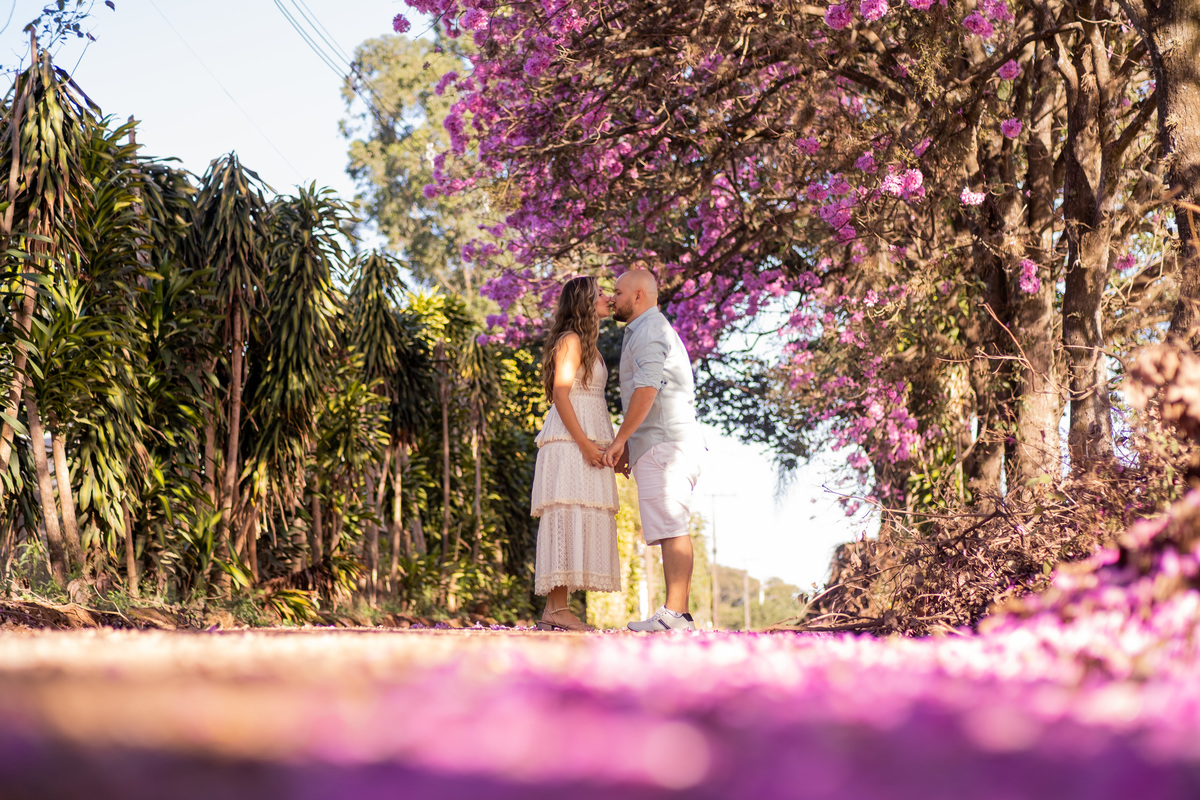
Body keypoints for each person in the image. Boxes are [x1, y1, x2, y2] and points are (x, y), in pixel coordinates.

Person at [603, 268, 705, 632]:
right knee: (667, 527)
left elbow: (647, 390)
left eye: (617, 292)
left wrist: (618, 441)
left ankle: (676, 615)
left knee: (673, 526)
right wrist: (631, 445)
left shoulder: (648, 331)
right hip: (659, 442)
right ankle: (673, 613)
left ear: (639, 296)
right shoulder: (647, 330)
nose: (612, 297)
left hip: (667, 444)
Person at [530, 276, 621, 632]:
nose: (608, 298)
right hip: (569, 443)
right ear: (584, 302)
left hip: (588, 440)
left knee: (580, 515)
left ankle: (558, 609)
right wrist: (585, 443)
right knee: (566, 515)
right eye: (600, 294)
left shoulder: (590, 344)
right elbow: (561, 394)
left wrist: (611, 444)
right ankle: (555, 609)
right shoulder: (570, 341)